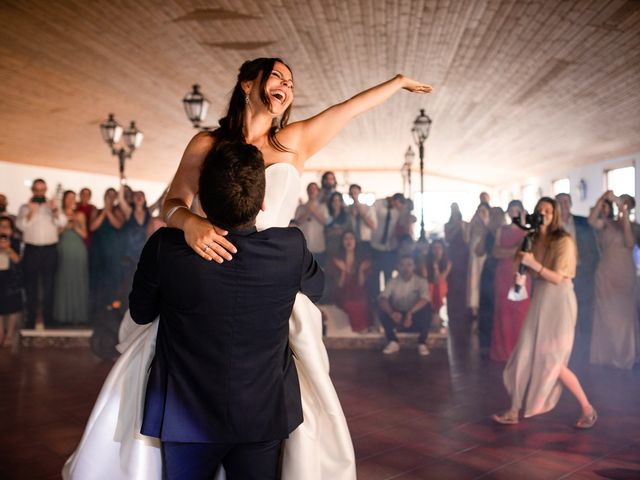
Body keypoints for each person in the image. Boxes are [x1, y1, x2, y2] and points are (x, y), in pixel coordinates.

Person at [63, 57, 431, 479]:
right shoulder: (206, 144)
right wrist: (191, 223)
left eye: (291, 82)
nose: (286, 86)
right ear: (246, 84)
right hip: (205, 266)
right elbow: (172, 202)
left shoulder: (294, 141)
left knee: (274, 391)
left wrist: (397, 82)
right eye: (277, 76)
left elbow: (346, 109)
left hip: (269, 281)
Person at [129, 142, 324, 479]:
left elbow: (141, 313)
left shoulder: (165, 248)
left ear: (201, 199)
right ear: (263, 203)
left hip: (183, 413)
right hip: (262, 411)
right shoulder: (291, 247)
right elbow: (318, 290)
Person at [492, 197, 597, 429]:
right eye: (540, 210)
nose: (543, 214)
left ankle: (587, 408)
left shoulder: (564, 240)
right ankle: (513, 409)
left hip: (559, 301)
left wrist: (533, 264)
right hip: (540, 298)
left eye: (548, 211)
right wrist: (521, 274)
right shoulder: (532, 239)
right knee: (524, 353)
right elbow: (523, 266)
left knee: (552, 360)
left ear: (555, 214)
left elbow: (559, 277)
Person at [588, 191, 639, 369]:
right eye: (620, 202)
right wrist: (602, 198)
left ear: (630, 207)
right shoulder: (607, 224)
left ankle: (624, 357)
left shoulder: (633, 226)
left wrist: (623, 213)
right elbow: (591, 220)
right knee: (605, 314)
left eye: (625, 203)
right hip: (605, 272)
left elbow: (630, 242)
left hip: (624, 273)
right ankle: (605, 355)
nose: (621, 205)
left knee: (623, 316)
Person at [555, 193, 600, 363]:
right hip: (560, 277)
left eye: (566, 201)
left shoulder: (583, 222)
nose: (564, 205)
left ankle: (585, 353)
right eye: (560, 202)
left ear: (571, 204)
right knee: (563, 315)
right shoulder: (552, 226)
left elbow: (594, 250)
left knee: (584, 314)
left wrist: (590, 269)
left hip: (582, 274)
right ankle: (565, 351)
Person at [16, 178, 66, 329]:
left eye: (42, 190)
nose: (39, 193)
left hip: (50, 250)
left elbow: (62, 222)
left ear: (45, 190)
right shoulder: (25, 208)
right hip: (31, 251)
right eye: (36, 190)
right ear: (32, 191)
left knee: (49, 286)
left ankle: (48, 319)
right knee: (31, 286)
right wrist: (31, 211)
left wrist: (55, 210)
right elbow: (22, 225)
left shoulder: (52, 207)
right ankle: (30, 319)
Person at [490, 201, 531, 361]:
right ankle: (503, 352)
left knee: (520, 311)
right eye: (511, 210)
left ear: (521, 212)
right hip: (503, 275)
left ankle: (519, 351)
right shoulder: (502, 230)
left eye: (517, 210)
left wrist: (506, 252)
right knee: (503, 312)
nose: (514, 213)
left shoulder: (527, 231)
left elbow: (525, 253)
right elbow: (495, 252)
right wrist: (515, 250)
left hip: (520, 274)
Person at [378, 255, 432, 356]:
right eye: (402, 265)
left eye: (409, 265)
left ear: (414, 267)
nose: (406, 268)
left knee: (427, 308)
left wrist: (410, 312)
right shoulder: (392, 281)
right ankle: (393, 341)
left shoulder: (421, 281)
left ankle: (422, 342)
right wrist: (391, 313)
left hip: (414, 315)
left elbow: (425, 299)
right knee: (381, 309)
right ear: (398, 267)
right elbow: (382, 298)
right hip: (398, 315)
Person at [53, 190, 89, 325]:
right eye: (68, 197)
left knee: (78, 280)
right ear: (64, 199)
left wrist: (74, 225)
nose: (71, 200)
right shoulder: (58, 214)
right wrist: (63, 226)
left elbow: (85, 234)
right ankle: (63, 316)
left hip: (78, 249)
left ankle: (77, 316)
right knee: (63, 279)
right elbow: (54, 234)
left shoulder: (80, 215)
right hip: (63, 248)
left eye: (73, 198)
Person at [329, 230, 373, 333]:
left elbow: (361, 285)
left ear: (355, 241)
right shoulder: (336, 259)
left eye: (351, 238)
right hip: (342, 292)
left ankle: (364, 327)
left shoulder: (363, 258)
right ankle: (359, 328)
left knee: (362, 301)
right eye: (346, 239)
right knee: (350, 303)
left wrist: (361, 271)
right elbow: (339, 285)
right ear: (342, 242)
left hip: (358, 290)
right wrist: (343, 271)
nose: (348, 241)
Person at [89, 188, 125, 313]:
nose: (110, 197)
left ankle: (110, 307)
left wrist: (109, 211)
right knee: (97, 277)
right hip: (98, 248)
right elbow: (93, 226)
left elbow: (118, 225)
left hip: (113, 249)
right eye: (108, 195)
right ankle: (95, 309)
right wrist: (104, 211)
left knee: (111, 278)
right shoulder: (96, 211)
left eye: (112, 195)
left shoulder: (118, 211)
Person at [476, 207, 505, 354]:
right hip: (489, 269)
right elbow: (478, 251)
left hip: (503, 269)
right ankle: (486, 342)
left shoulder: (507, 231)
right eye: (493, 215)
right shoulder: (487, 233)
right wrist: (484, 233)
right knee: (486, 305)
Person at [444, 203, 469, 334]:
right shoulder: (447, 225)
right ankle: (452, 312)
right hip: (452, 253)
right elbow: (447, 239)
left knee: (462, 284)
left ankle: (463, 311)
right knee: (452, 284)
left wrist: (462, 227)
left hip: (463, 255)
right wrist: (455, 227)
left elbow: (467, 239)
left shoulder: (464, 224)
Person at [294, 182, 329, 266]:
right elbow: (298, 222)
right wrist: (309, 210)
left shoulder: (323, 206)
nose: (312, 191)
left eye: (314, 189)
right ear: (307, 191)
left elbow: (325, 222)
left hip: (319, 245)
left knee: (320, 269)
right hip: (304, 246)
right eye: (310, 189)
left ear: (318, 192)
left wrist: (314, 210)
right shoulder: (300, 207)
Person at [0, 216, 22, 346]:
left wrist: (7, 248)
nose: (2, 228)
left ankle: (10, 334)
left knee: (12, 306)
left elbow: (18, 260)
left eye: (6, 226)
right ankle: (1, 333)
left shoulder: (15, 242)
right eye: (0, 225)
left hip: (11, 277)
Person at [425, 239, 451, 331]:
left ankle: (437, 317)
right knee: (431, 288)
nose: (437, 251)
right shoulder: (426, 262)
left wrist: (436, 268)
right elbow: (427, 278)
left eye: (439, 248)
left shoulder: (448, 263)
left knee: (439, 287)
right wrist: (434, 266)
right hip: (429, 286)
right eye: (434, 248)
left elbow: (440, 279)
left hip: (442, 287)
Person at [347, 184, 377, 256]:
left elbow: (373, 226)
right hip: (351, 242)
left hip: (365, 241)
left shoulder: (368, 208)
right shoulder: (347, 209)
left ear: (359, 193)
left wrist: (361, 213)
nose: (354, 195)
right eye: (352, 193)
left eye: (355, 193)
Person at [325, 191, 353, 258]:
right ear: (331, 203)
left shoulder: (347, 216)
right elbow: (324, 231)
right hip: (329, 249)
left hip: (343, 249)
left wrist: (341, 231)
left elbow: (350, 231)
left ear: (341, 202)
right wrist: (332, 232)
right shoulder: (327, 215)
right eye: (334, 200)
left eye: (338, 200)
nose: (336, 203)